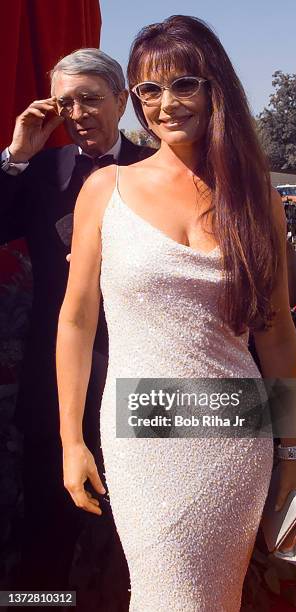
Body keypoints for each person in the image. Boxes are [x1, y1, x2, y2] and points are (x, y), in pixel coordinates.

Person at [56, 16, 296, 611]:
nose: (165, 104)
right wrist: (71, 438)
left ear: (214, 88)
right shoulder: (105, 190)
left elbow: (277, 334)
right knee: (163, 592)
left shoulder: (258, 200)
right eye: (149, 90)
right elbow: (75, 321)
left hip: (234, 433)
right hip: (141, 435)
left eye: (183, 84)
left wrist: (295, 456)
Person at [0, 48, 153, 595]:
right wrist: (16, 155)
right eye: (66, 102)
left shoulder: (159, 170)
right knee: (46, 534)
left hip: (140, 376)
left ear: (122, 99)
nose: (78, 113)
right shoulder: (42, 171)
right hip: (54, 385)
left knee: (136, 540)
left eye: (90, 99)